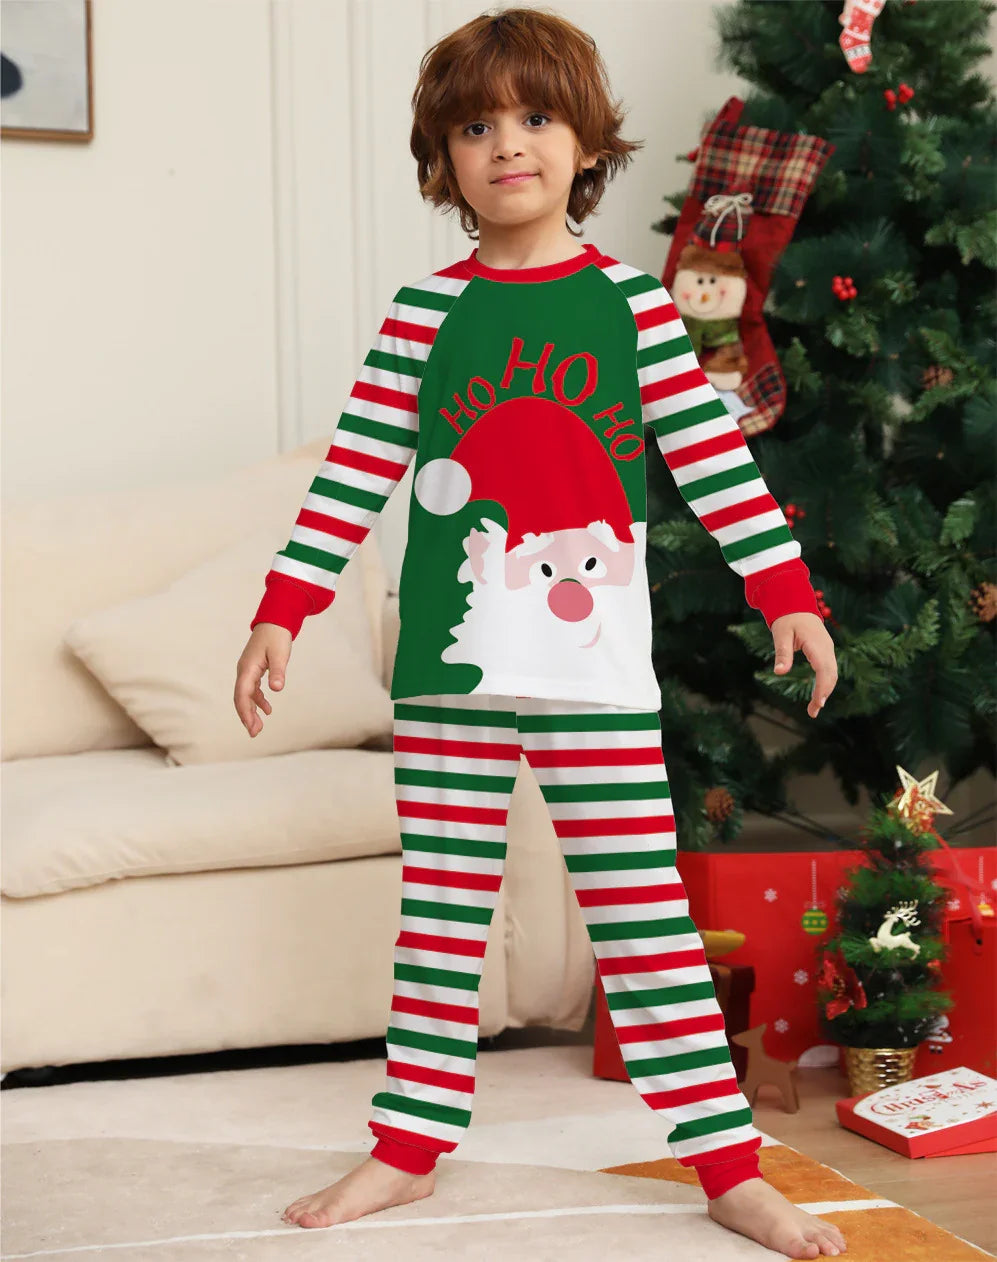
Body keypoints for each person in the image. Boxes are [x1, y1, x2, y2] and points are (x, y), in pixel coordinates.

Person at [233, 7, 842, 1258]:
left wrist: (785, 590)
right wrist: (283, 609)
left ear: (581, 144)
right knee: (442, 916)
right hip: (448, 664)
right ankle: (407, 1149)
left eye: (533, 116)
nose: (505, 144)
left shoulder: (630, 309)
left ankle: (725, 1166)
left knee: (640, 918)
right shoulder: (421, 317)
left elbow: (714, 466)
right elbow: (352, 473)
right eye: (473, 125)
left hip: (592, 665)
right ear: (441, 161)